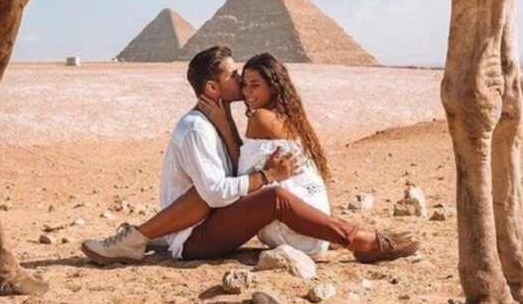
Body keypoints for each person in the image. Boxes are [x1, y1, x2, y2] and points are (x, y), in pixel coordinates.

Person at [81, 46, 418, 264]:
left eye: (250, 81)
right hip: (194, 238)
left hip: (213, 223)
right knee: (260, 194)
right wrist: (266, 176)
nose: (241, 81)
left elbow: (228, 179)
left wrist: (226, 124)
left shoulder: (222, 120)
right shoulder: (198, 129)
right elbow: (216, 192)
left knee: (238, 191)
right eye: (234, 76)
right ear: (212, 88)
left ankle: (139, 237)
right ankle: (360, 239)